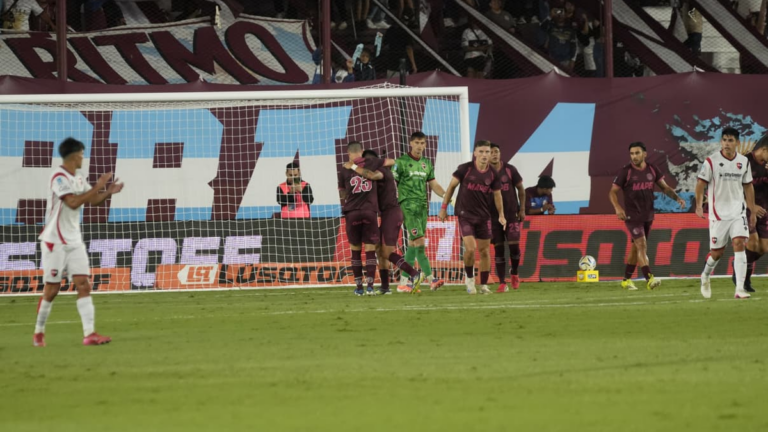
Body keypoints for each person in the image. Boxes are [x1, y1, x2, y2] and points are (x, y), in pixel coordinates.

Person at [33, 138, 124, 347]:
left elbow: (92, 201)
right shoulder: (58, 177)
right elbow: (73, 202)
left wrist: (107, 192)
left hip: (74, 239)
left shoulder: (79, 177)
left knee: (84, 284)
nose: (84, 158)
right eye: (82, 154)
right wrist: (99, 185)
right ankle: (38, 332)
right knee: (52, 290)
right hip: (54, 241)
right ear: (75, 155)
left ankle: (89, 334)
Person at [344, 150, 425, 295]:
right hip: (384, 214)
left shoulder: (381, 171)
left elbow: (372, 175)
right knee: (379, 250)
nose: (364, 165)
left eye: (366, 162)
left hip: (391, 213)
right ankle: (385, 287)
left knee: (386, 252)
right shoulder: (378, 170)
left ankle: (414, 273)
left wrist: (353, 167)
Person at [609, 142, 686, 291]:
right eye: (631, 154)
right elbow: (612, 192)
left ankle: (626, 280)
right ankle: (649, 279)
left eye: (637, 153)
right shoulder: (626, 172)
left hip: (648, 215)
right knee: (641, 245)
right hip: (632, 216)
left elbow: (664, 187)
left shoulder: (652, 169)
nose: (634, 156)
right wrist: (618, 208)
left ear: (645, 154)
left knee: (635, 248)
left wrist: (677, 198)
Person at [696, 127, 756, 299]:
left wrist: (751, 209)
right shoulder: (711, 161)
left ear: (737, 143)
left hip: (738, 212)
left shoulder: (743, 162)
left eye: (730, 140)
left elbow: (748, 185)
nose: (726, 144)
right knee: (717, 253)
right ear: (721, 142)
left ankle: (739, 289)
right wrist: (699, 206)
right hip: (718, 214)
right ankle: (705, 275)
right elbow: (700, 184)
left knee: (739, 243)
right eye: (724, 140)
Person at [439, 140, 505, 295]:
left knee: (484, 251)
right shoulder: (465, 169)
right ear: (475, 153)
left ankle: (483, 285)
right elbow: (451, 188)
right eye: (481, 152)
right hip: (465, 215)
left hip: (484, 217)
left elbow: (497, 195)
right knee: (470, 248)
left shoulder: (493, 174)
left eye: (487, 152)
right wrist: (444, 208)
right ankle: (469, 280)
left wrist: (501, 214)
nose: (484, 155)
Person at [393, 131, 448, 292]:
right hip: (408, 205)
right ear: (411, 143)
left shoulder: (427, 163)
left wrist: (446, 196)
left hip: (423, 206)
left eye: (422, 143)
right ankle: (431, 279)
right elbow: (392, 185)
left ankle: (403, 283)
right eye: (416, 142)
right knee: (420, 243)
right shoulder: (401, 162)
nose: (419, 146)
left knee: (412, 244)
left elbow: (433, 184)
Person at [338, 142, 381, 296]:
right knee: (370, 250)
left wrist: (349, 193)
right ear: (362, 152)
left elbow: (342, 194)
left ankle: (358, 288)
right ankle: (370, 286)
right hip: (369, 211)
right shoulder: (370, 165)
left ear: (349, 153)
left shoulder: (344, 170)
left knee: (355, 251)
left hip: (352, 212)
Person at [730, 135, 768, 292]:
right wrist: (750, 205)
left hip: (764, 210)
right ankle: (744, 279)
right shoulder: (744, 162)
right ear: (764, 149)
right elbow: (733, 188)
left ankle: (739, 264)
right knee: (752, 243)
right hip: (745, 209)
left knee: (763, 248)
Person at [489, 143, 525, 292]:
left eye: (496, 151)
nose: (494, 154)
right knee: (498, 250)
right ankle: (502, 282)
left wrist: (522, 209)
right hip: (493, 218)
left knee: (514, 247)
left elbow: (521, 190)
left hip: (511, 216)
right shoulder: (484, 173)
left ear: (500, 153)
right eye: (491, 152)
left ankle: (514, 273)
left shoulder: (510, 170)